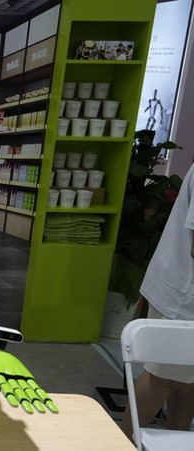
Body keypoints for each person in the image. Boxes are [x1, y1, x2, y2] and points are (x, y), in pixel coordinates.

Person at [121, 164, 194, 441]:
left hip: (183, 293)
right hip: (183, 296)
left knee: (187, 384)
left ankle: (176, 443)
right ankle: (122, 444)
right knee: (163, 377)